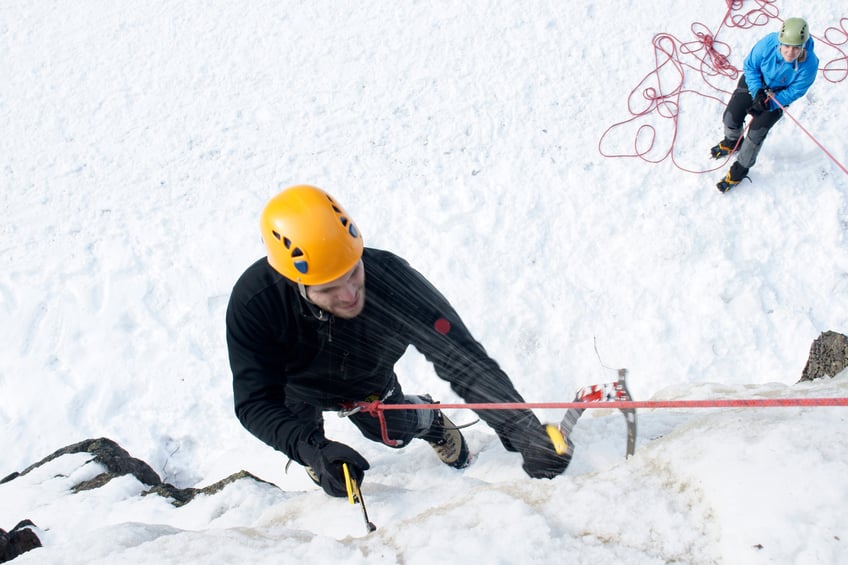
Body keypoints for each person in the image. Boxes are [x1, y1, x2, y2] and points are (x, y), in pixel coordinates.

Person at [226, 184, 571, 498]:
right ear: (294, 282)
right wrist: (312, 448)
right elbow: (255, 401)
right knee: (317, 458)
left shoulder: (391, 280)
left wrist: (524, 432)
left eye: (352, 272)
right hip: (294, 390)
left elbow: (462, 359)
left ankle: (431, 419)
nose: (349, 295)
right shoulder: (255, 304)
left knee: (392, 433)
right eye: (328, 288)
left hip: (367, 380)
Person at [711, 17, 819, 193]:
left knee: (756, 134)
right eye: (786, 46)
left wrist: (770, 105)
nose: (790, 52)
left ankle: (740, 170)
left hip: (777, 96)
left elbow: (796, 91)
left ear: (803, 46)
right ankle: (732, 142)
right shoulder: (768, 43)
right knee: (731, 116)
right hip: (755, 83)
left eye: (796, 48)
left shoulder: (810, 65)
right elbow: (750, 66)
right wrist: (757, 92)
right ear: (780, 42)